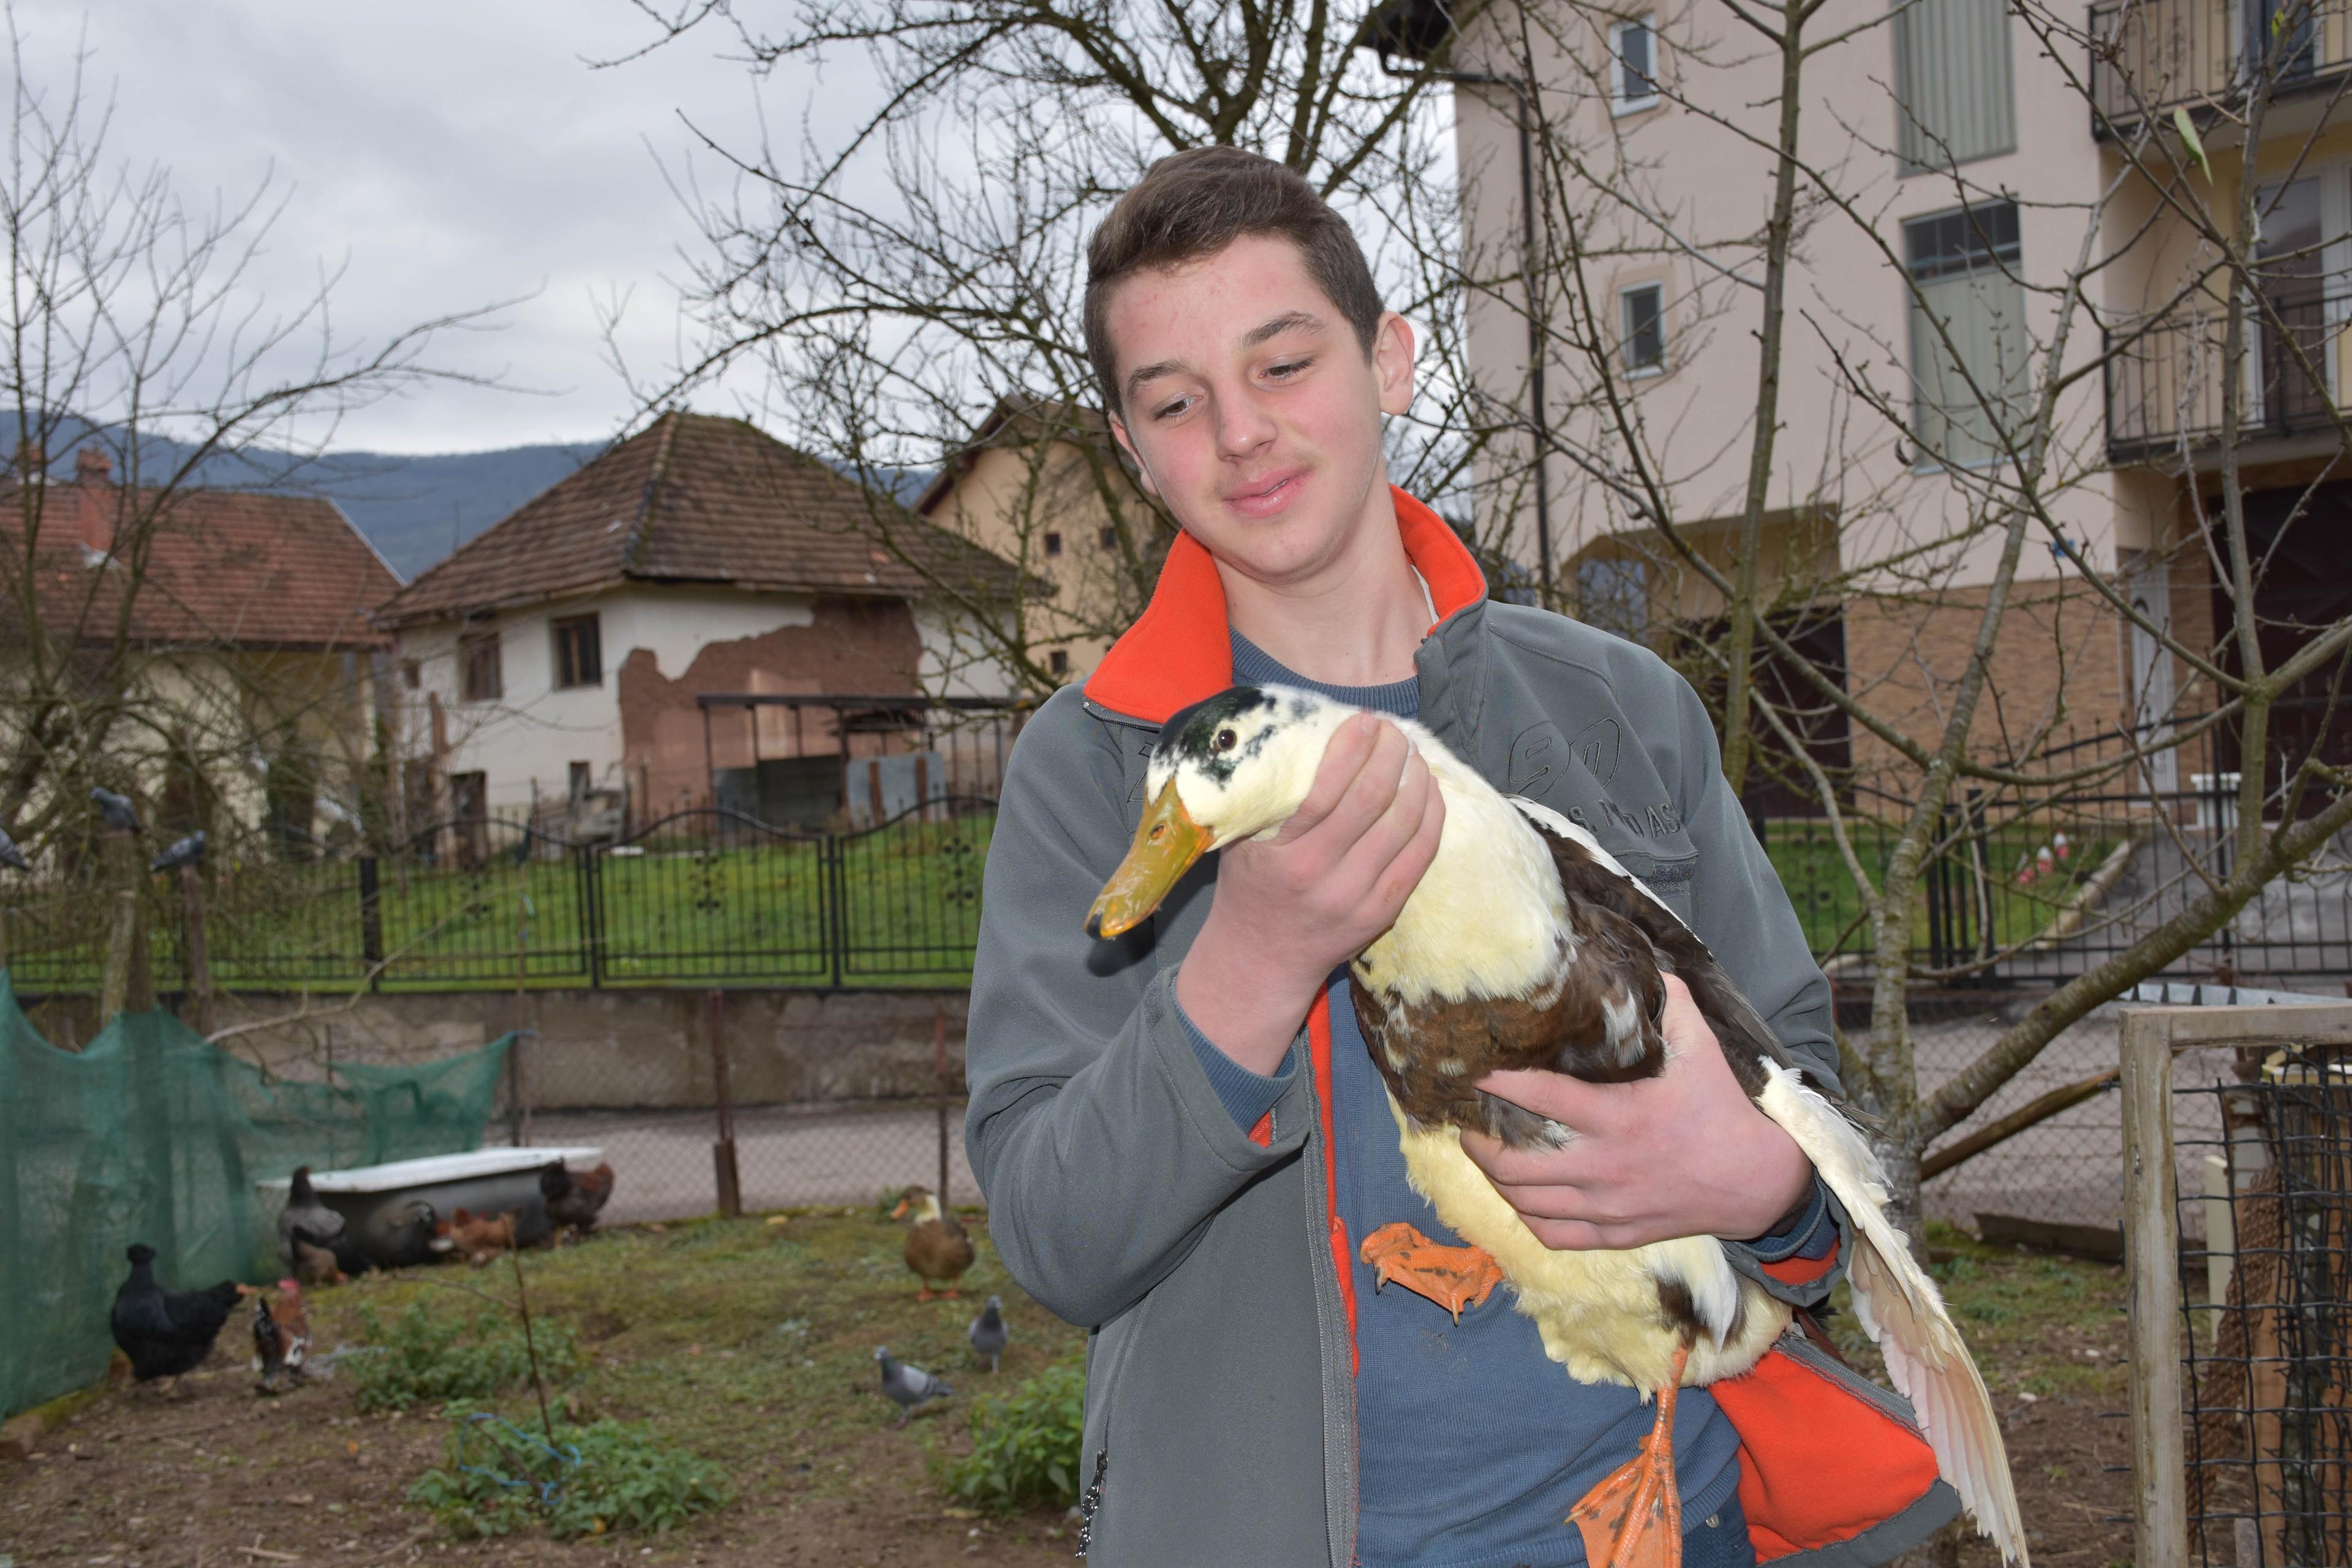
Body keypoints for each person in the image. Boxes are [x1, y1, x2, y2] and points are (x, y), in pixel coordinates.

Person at [965, 146, 1961, 1568]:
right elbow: (1058, 1238)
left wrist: (1757, 1183)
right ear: (1132, 450)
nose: (1240, 431)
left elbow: (1828, 1125)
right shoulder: (1092, 772)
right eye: (1175, 401)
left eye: (1286, 362)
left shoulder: (1618, 711)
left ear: (1392, 362)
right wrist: (1244, 965)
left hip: (1678, 1528)